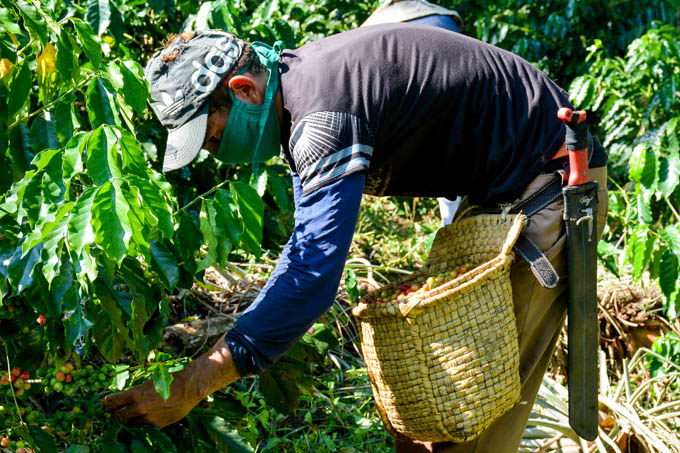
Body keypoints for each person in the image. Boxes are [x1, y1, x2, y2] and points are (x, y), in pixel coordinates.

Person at [101, 22, 609, 452]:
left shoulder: (321, 116)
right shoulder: (302, 89)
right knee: (435, 414)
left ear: (243, 90)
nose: (216, 153)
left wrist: (194, 384)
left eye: (212, 137)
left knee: (469, 415)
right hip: (504, 190)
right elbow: (304, 250)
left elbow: (314, 277)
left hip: (549, 185)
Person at [362, 0, 464, 226]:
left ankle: (453, 237)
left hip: (410, 110)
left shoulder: (375, 29)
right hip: (460, 106)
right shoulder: (445, 19)